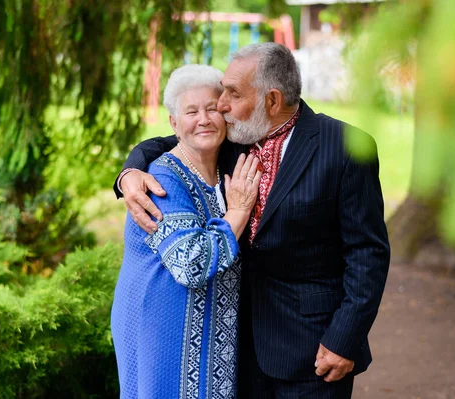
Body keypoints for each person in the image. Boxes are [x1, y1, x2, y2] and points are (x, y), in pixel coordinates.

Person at [115, 43, 391, 398]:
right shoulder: (234, 136)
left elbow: (368, 253)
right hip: (237, 351)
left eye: (233, 94)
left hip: (313, 350)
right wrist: (130, 171)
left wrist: (346, 337)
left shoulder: (346, 147)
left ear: (272, 101)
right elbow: (178, 136)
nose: (222, 106)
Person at [110, 64, 261, 399]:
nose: (204, 119)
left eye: (212, 108)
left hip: (209, 332)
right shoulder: (161, 180)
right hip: (162, 330)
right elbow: (190, 263)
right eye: (191, 111)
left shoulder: (224, 168)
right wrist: (237, 212)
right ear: (174, 124)